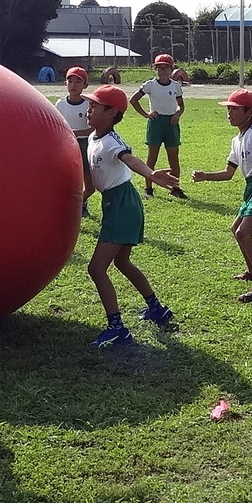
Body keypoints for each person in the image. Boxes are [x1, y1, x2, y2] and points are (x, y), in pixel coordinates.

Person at [80, 85, 179, 348]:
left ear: (112, 112)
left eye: (94, 106)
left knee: (96, 268)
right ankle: (156, 308)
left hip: (122, 204)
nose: (88, 109)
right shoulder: (93, 138)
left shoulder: (112, 141)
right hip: (117, 203)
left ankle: (117, 329)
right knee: (122, 263)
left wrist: (151, 174)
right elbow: (93, 183)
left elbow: (129, 159)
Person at [192, 90, 252, 303]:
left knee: (243, 232)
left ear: (250, 112)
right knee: (236, 229)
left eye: (234, 109)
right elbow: (228, 173)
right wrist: (206, 176)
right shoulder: (237, 139)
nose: (229, 113)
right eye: (228, 109)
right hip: (251, 186)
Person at [131, 54, 189, 199]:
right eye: (160, 68)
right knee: (152, 158)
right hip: (156, 123)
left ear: (172, 69)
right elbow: (133, 100)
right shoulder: (150, 85)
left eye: (166, 68)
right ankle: (148, 188)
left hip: (171, 123)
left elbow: (181, 106)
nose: (163, 71)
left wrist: (177, 114)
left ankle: (175, 188)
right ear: (155, 69)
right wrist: (146, 114)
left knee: (173, 159)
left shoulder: (176, 86)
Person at [52, 67, 95, 215]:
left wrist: (77, 133)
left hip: (85, 145)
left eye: (78, 82)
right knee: (66, 181)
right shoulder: (60, 104)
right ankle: (69, 208)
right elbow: (55, 125)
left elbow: (94, 128)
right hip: (66, 145)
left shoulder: (89, 104)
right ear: (65, 83)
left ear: (85, 85)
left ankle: (80, 202)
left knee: (90, 186)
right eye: (70, 81)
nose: (73, 85)